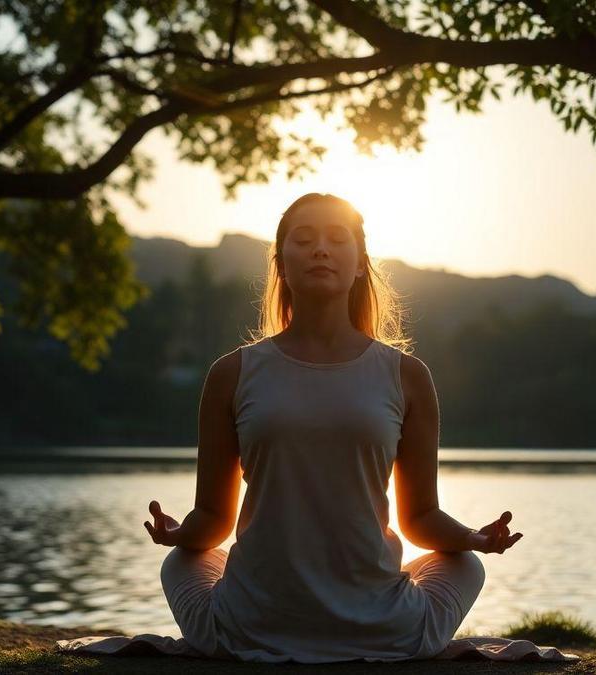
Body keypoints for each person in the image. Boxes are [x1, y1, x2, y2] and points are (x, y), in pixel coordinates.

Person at [143, 192, 523, 663]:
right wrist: (178, 534)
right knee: (463, 566)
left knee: (183, 562)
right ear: (281, 264)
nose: (320, 249)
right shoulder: (233, 373)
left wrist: (473, 538)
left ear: (361, 263)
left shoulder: (405, 375)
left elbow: (420, 516)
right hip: (378, 630)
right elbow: (215, 517)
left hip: (251, 627)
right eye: (303, 240)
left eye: (336, 239)